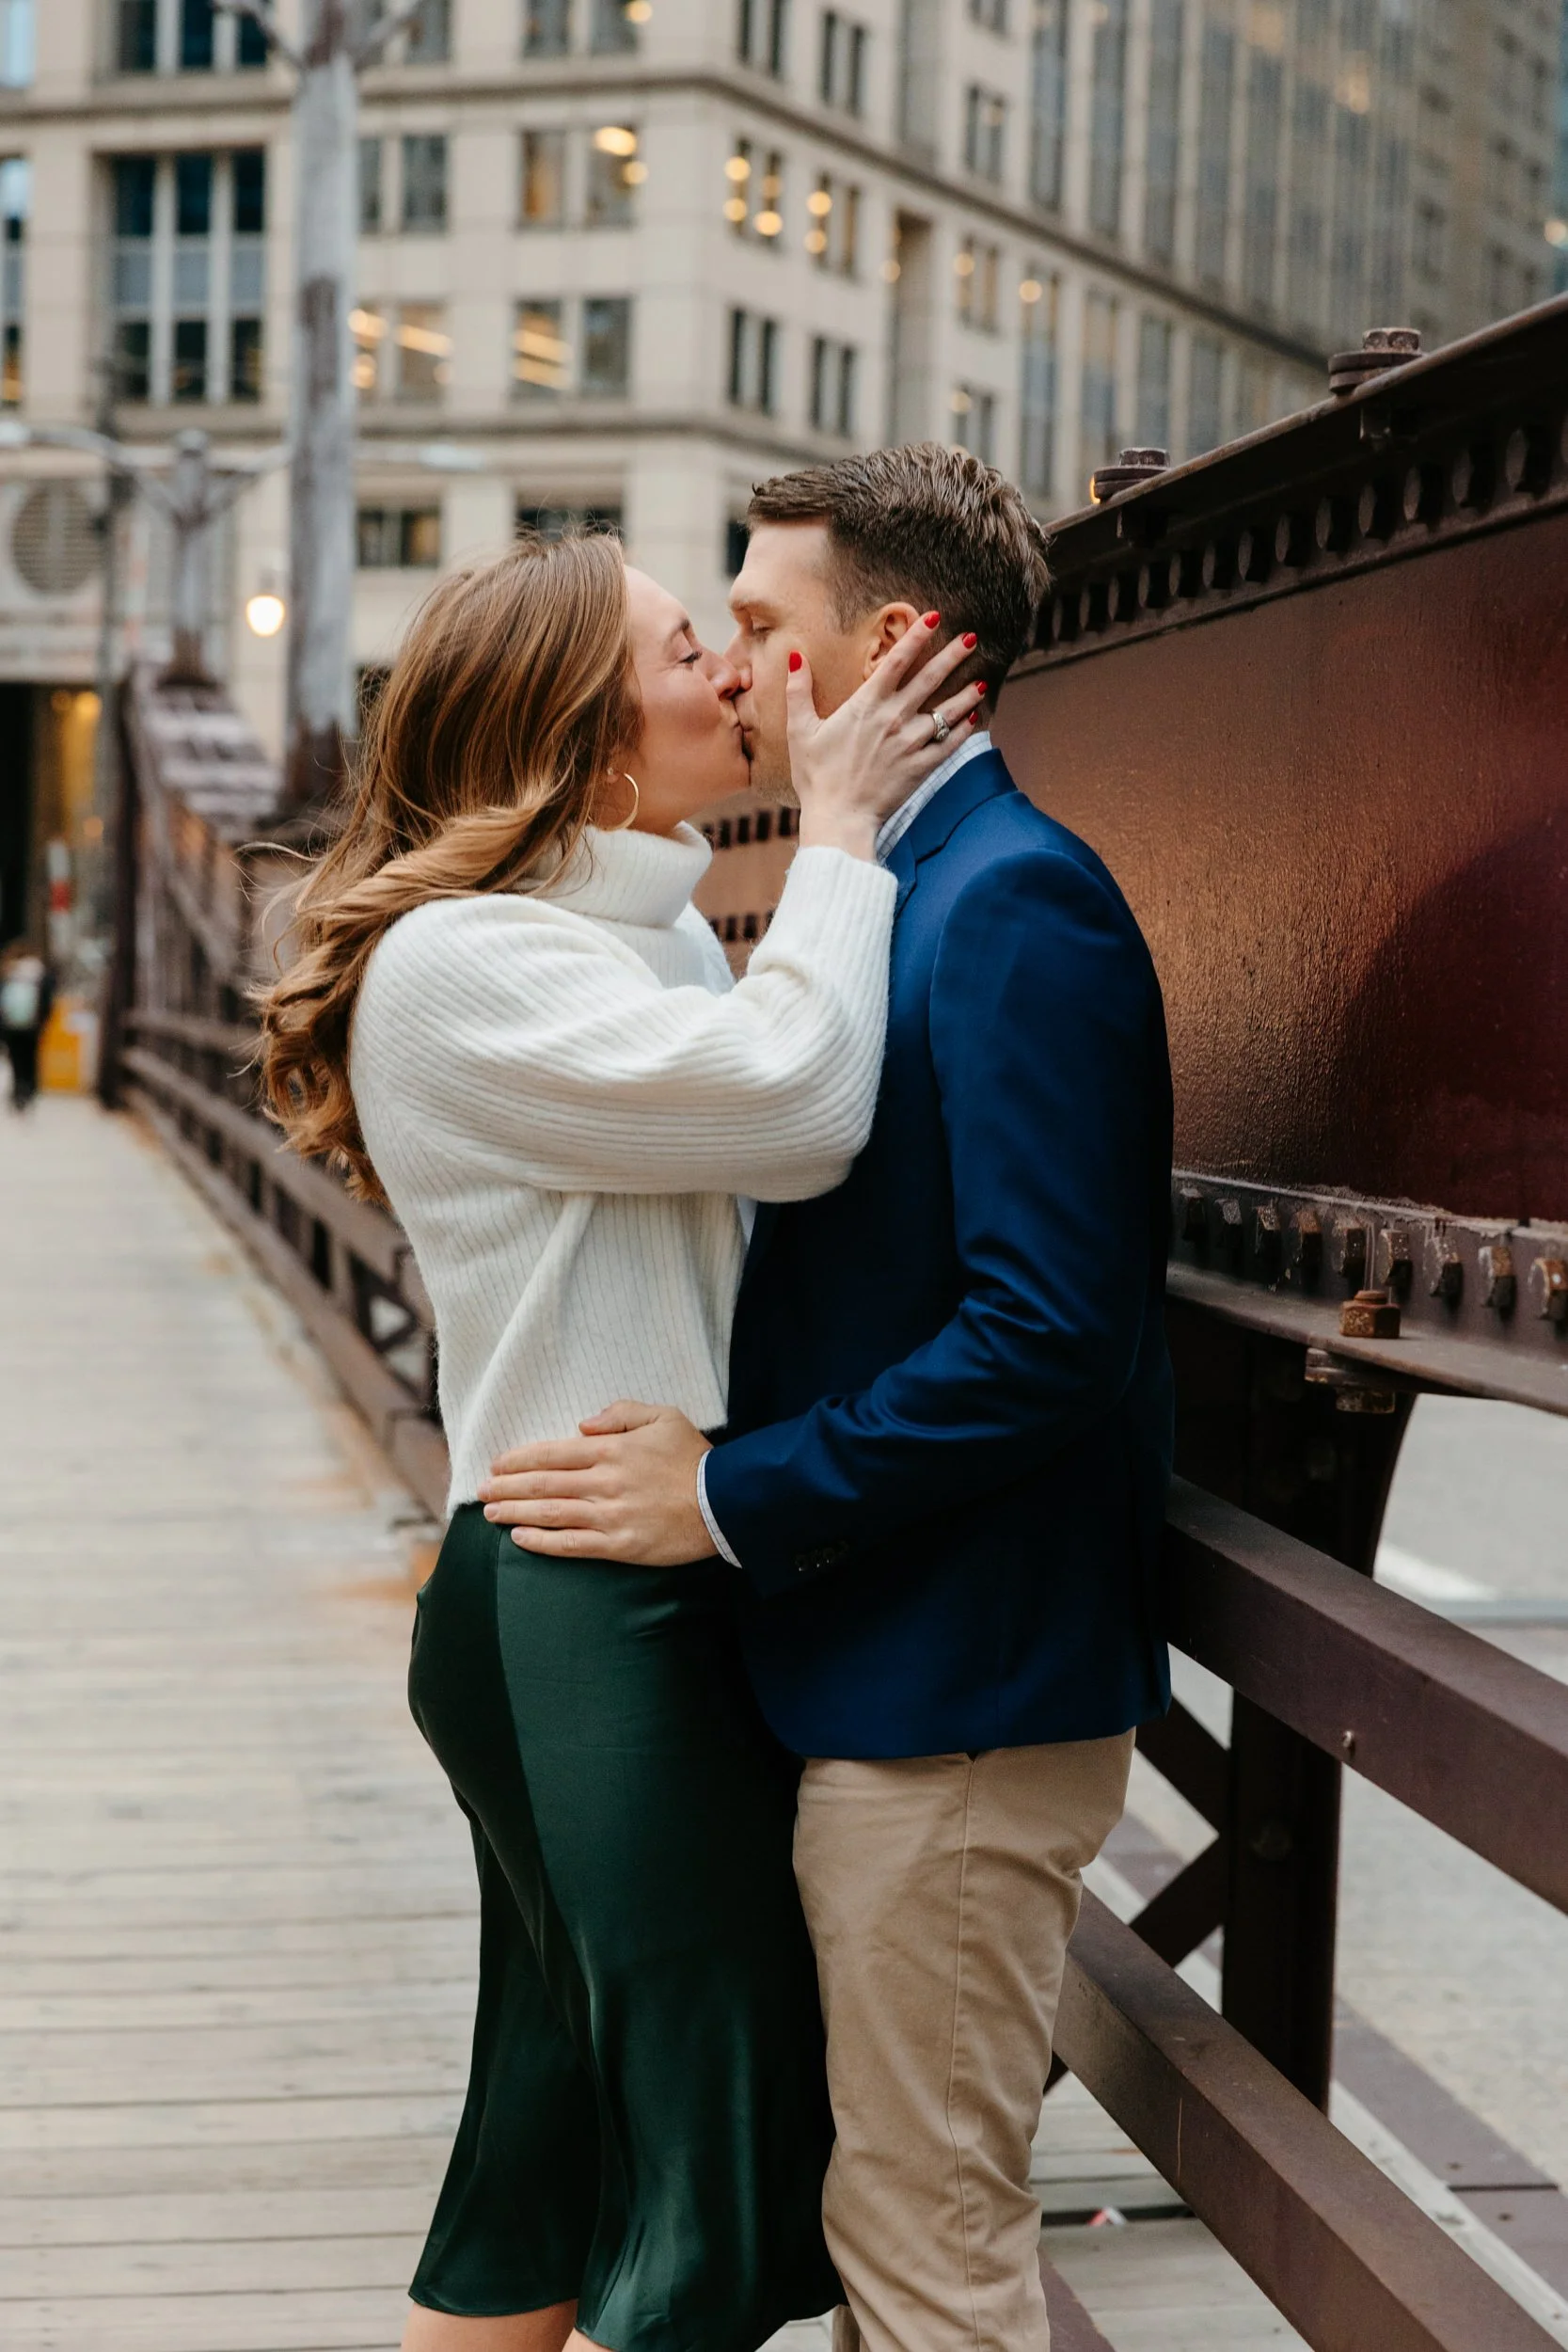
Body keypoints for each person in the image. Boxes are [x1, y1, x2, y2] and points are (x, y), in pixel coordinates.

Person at [480, 446, 1176, 2352]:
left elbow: (1045, 1331)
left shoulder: (1013, 903)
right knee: (882, 2232)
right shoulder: (899, 886)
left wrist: (725, 1490)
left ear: (887, 647)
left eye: (767, 628)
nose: (737, 670)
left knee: (921, 2254)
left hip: (950, 1701)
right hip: (882, 1674)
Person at [256, 529, 984, 2352]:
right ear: (584, 732)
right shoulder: (456, 961)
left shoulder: (622, 923)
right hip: (595, 1605)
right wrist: (835, 839)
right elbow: (797, 1102)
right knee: (712, 2182)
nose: (733, 677)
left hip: (592, 1579)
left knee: (546, 2150)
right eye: (688, 648)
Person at [1, 945, 54, 1112]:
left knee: (16, 1058)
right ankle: (30, 1089)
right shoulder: (40, 974)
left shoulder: (10, 973)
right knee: (31, 1057)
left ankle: (18, 1092)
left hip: (11, 1026)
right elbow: (47, 1001)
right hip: (33, 1025)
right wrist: (43, 1021)